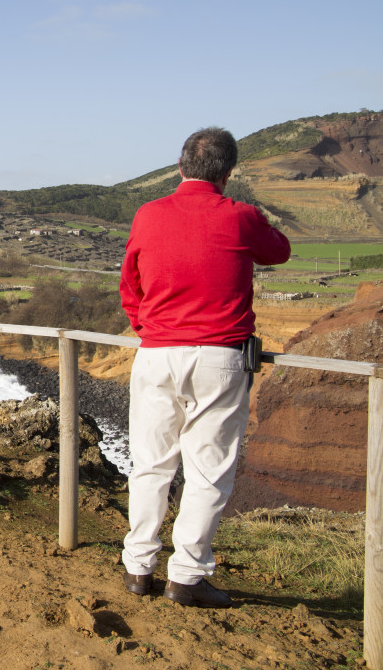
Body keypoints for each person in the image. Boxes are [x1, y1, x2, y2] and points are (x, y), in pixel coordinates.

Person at [119, 126, 291, 607]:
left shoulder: (148, 214)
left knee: (150, 465)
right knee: (208, 471)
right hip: (219, 356)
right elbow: (279, 251)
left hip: (155, 353)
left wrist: (147, 327)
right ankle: (186, 577)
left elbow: (129, 283)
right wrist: (258, 214)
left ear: (180, 167)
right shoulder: (240, 216)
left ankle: (138, 567)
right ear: (228, 172)